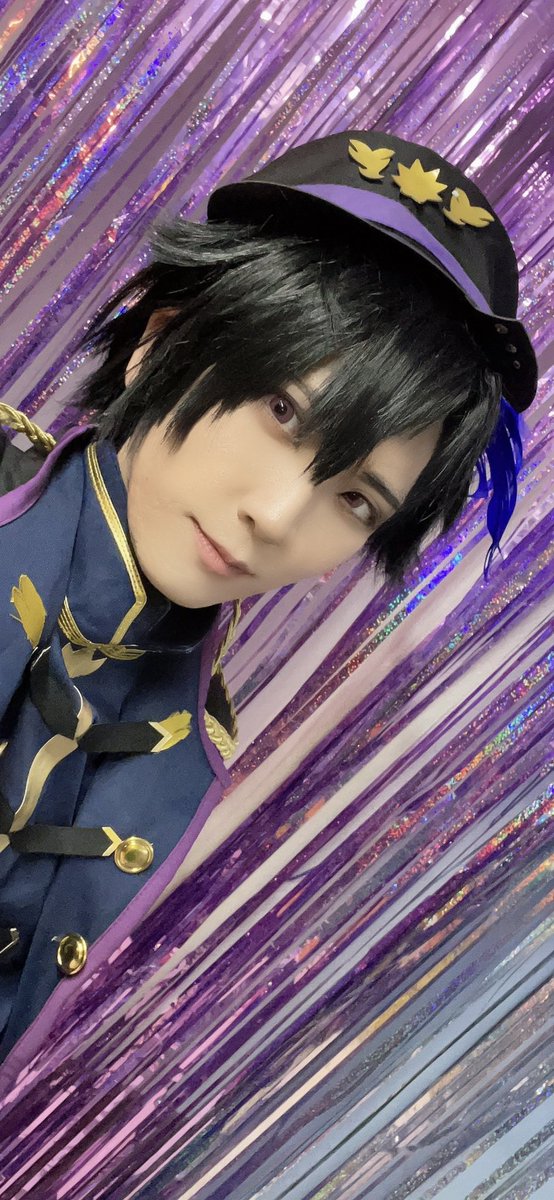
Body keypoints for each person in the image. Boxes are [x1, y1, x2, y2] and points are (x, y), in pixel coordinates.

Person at [0, 129, 537, 1077]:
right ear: (161, 338)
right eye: (283, 412)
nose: (279, 517)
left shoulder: (193, 750)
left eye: (356, 500)